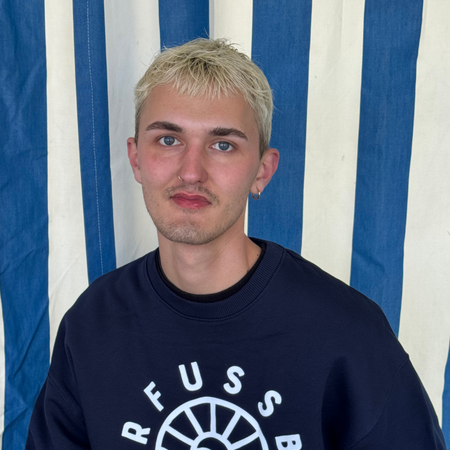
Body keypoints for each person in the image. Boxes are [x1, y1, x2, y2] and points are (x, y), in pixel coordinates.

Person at [26, 38, 446, 450]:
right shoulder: (92, 326)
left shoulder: (347, 333)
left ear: (262, 171)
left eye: (222, 145)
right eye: (168, 140)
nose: (192, 172)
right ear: (136, 159)